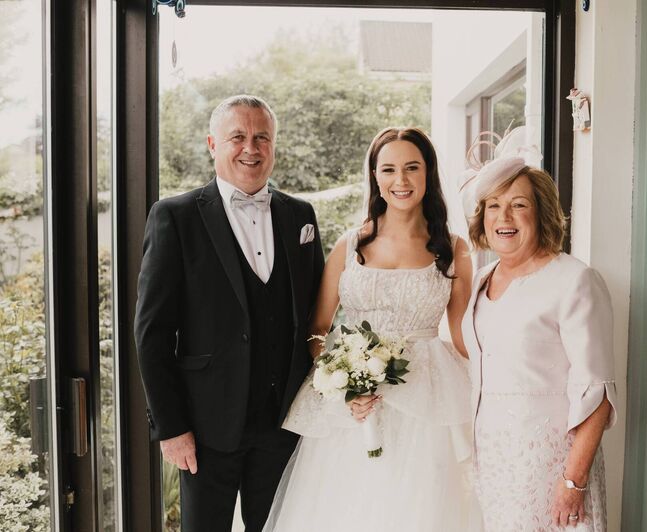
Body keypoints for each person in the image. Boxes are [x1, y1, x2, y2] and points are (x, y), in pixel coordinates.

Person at [264, 127, 474, 532]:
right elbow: (317, 330)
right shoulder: (350, 244)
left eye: (412, 167)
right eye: (389, 169)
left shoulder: (453, 247)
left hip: (426, 404)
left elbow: (465, 338)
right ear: (375, 177)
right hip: (353, 410)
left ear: (428, 173)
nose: (401, 180)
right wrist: (343, 384)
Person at [134, 95, 324, 531]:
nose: (251, 149)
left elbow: (316, 318)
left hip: (285, 423)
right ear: (212, 144)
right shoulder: (174, 217)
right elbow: (152, 333)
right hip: (205, 428)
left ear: (275, 145)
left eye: (262, 137)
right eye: (237, 136)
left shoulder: (301, 216)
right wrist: (172, 426)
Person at [461, 158, 617, 531]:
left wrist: (572, 482)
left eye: (519, 205)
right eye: (494, 206)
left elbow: (598, 393)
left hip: (551, 466)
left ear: (542, 212)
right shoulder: (482, 279)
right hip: (495, 465)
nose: (505, 217)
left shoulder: (575, 280)